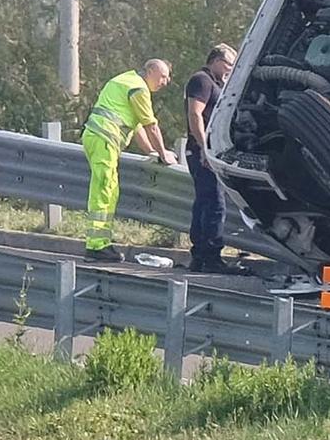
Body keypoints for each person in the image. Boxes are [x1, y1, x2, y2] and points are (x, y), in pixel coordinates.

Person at [81, 60, 177, 262]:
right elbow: (151, 125)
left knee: (109, 189)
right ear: (150, 71)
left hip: (97, 137)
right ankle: (97, 245)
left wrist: (151, 151)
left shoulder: (126, 79)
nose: (165, 82)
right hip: (105, 139)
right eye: (162, 76)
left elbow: (137, 128)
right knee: (104, 190)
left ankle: (100, 243)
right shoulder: (138, 88)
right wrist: (163, 153)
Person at [184, 43, 239, 273]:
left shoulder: (216, 83)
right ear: (215, 60)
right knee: (215, 204)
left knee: (205, 202)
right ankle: (211, 256)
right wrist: (203, 147)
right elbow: (195, 113)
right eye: (228, 64)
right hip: (202, 152)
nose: (230, 69)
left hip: (209, 151)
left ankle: (200, 256)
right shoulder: (202, 80)